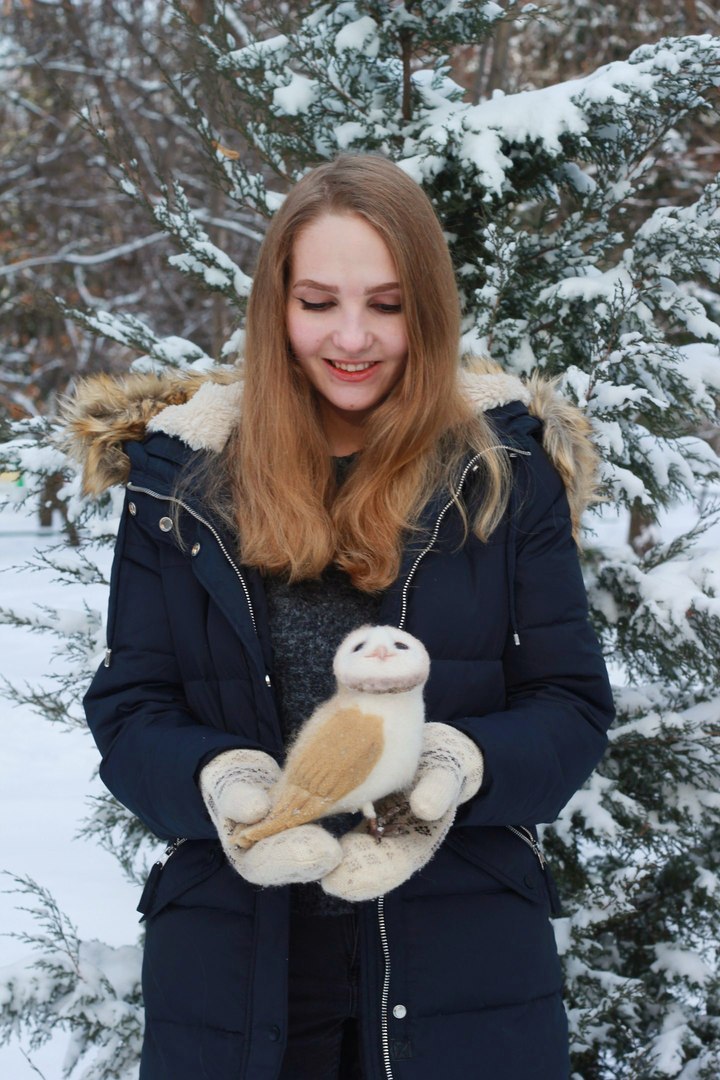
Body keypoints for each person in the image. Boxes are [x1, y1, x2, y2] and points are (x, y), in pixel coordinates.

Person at [66, 154, 615, 1080]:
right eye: (318, 302)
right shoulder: (182, 480)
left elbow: (569, 705)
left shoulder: (502, 471)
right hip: (237, 977)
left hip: (465, 967)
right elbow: (132, 710)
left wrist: (454, 768)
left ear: (428, 311)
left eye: (388, 305)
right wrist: (224, 783)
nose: (352, 337)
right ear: (276, 307)